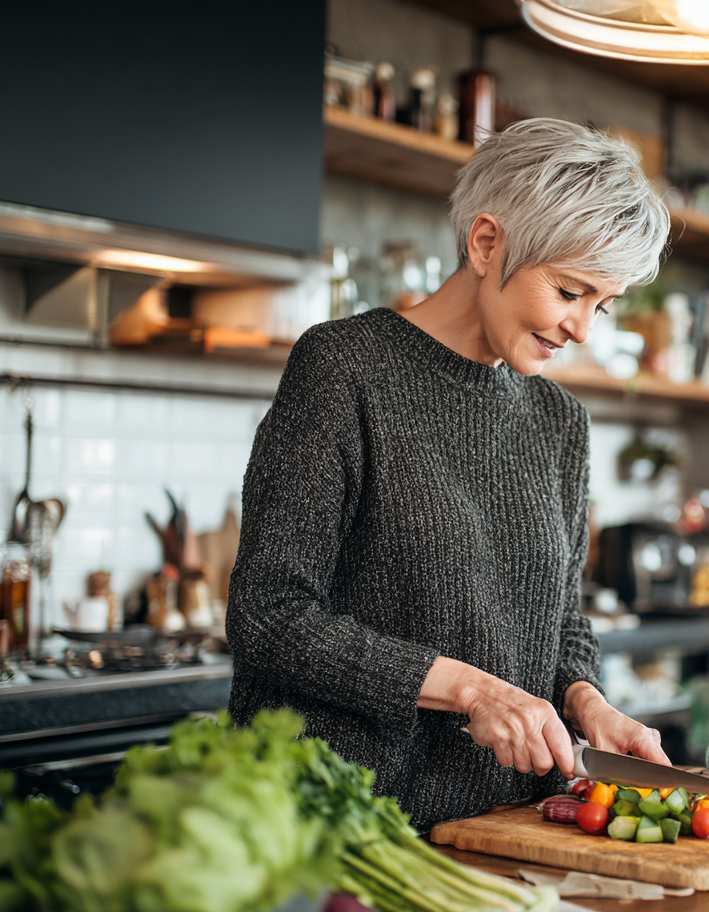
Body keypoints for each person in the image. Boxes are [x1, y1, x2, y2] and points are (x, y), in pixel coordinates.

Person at [227, 118, 673, 829]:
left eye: (602, 304)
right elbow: (268, 616)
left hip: (501, 829)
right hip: (334, 826)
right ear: (487, 243)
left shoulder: (561, 422)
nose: (583, 329)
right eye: (568, 292)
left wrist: (588, 700)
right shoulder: (343, 371)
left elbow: (558, 619)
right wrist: (470, 690)